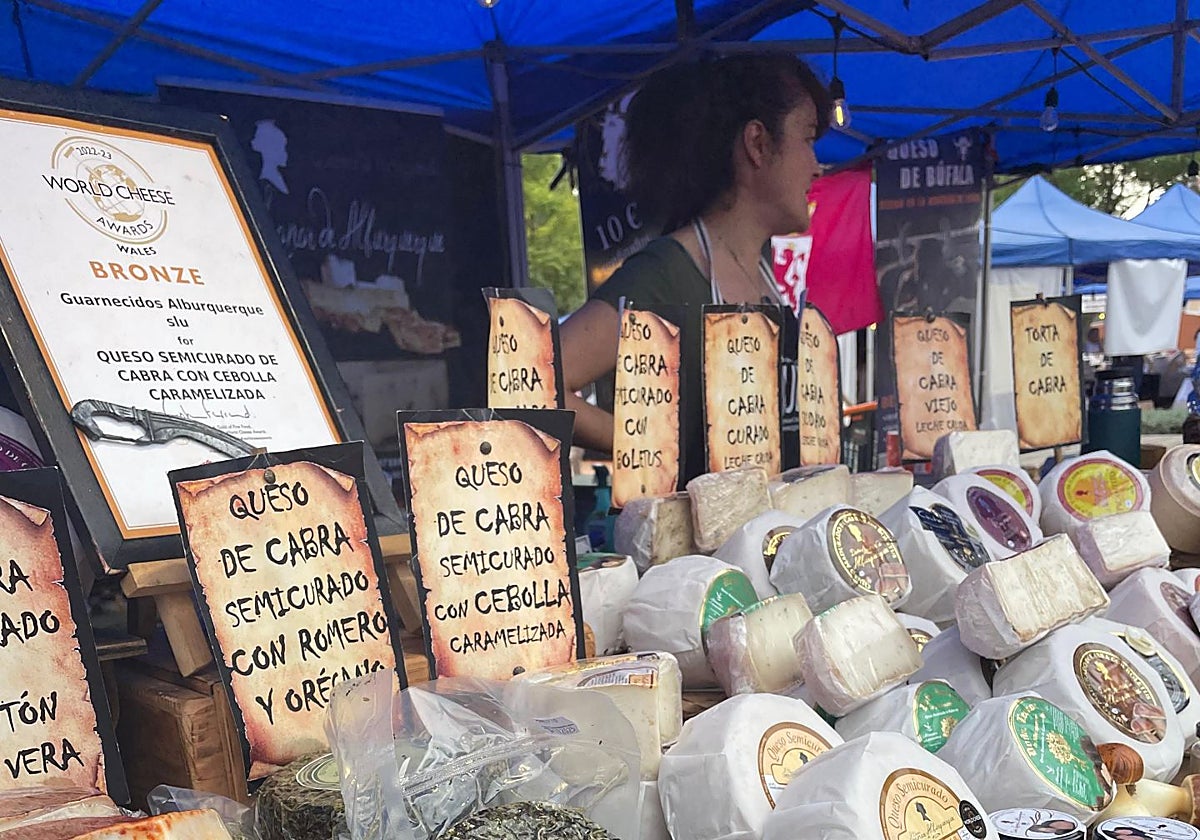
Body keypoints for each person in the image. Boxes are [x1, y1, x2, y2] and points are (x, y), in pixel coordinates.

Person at [560, 55, 830, 473]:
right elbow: (530, 387)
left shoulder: (762, 275)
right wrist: (652, 448)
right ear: (757, 144)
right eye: (808, 139)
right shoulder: (666, 274)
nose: (817, 167)